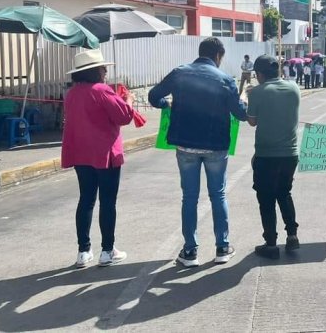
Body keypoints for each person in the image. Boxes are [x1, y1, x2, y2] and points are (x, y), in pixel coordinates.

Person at [149, 37, 248, 268]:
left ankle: (190, 251)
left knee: (189, 197)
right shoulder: (225, 80)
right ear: (218, 56)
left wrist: (166, 104)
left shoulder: (180, 73)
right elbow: (241, 114)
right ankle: (222, 247)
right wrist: (243, 100)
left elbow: (154, 96)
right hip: (216, 146)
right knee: (218, 194)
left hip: (185, 146)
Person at [62, 49, 135, 268]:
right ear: (96, 71)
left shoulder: (72, 94)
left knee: (86, 200)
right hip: (105, 154)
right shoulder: (102, 91)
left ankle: (84, 251)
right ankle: (107, 250)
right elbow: (124, 116)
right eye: (103, 68)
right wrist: (129, 99)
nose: (105, 71)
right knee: (108, 201)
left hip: (80, 153)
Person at [246, 55, 301, 259]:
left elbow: (252, 121)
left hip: (266, 154)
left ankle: (271, 243)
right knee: (284, 193)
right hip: (290, 153)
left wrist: (248, 98)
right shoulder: (294, 88)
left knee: (266, 198)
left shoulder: (258, 92)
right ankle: (292, 235)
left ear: (259, 74)